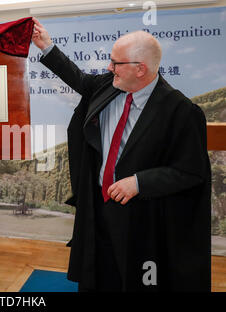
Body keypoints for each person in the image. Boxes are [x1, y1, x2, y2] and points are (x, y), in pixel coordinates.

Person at [31, 18, 211, 291]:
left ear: (141, 69)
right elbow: (79, 79)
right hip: (97, 210)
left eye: (116, 63)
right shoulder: (108, 86)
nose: (109, 67)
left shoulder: (181, 111)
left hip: (141, 221)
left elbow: (190, 171)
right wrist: (46, 46)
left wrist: (139, 182)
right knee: (97, 277)